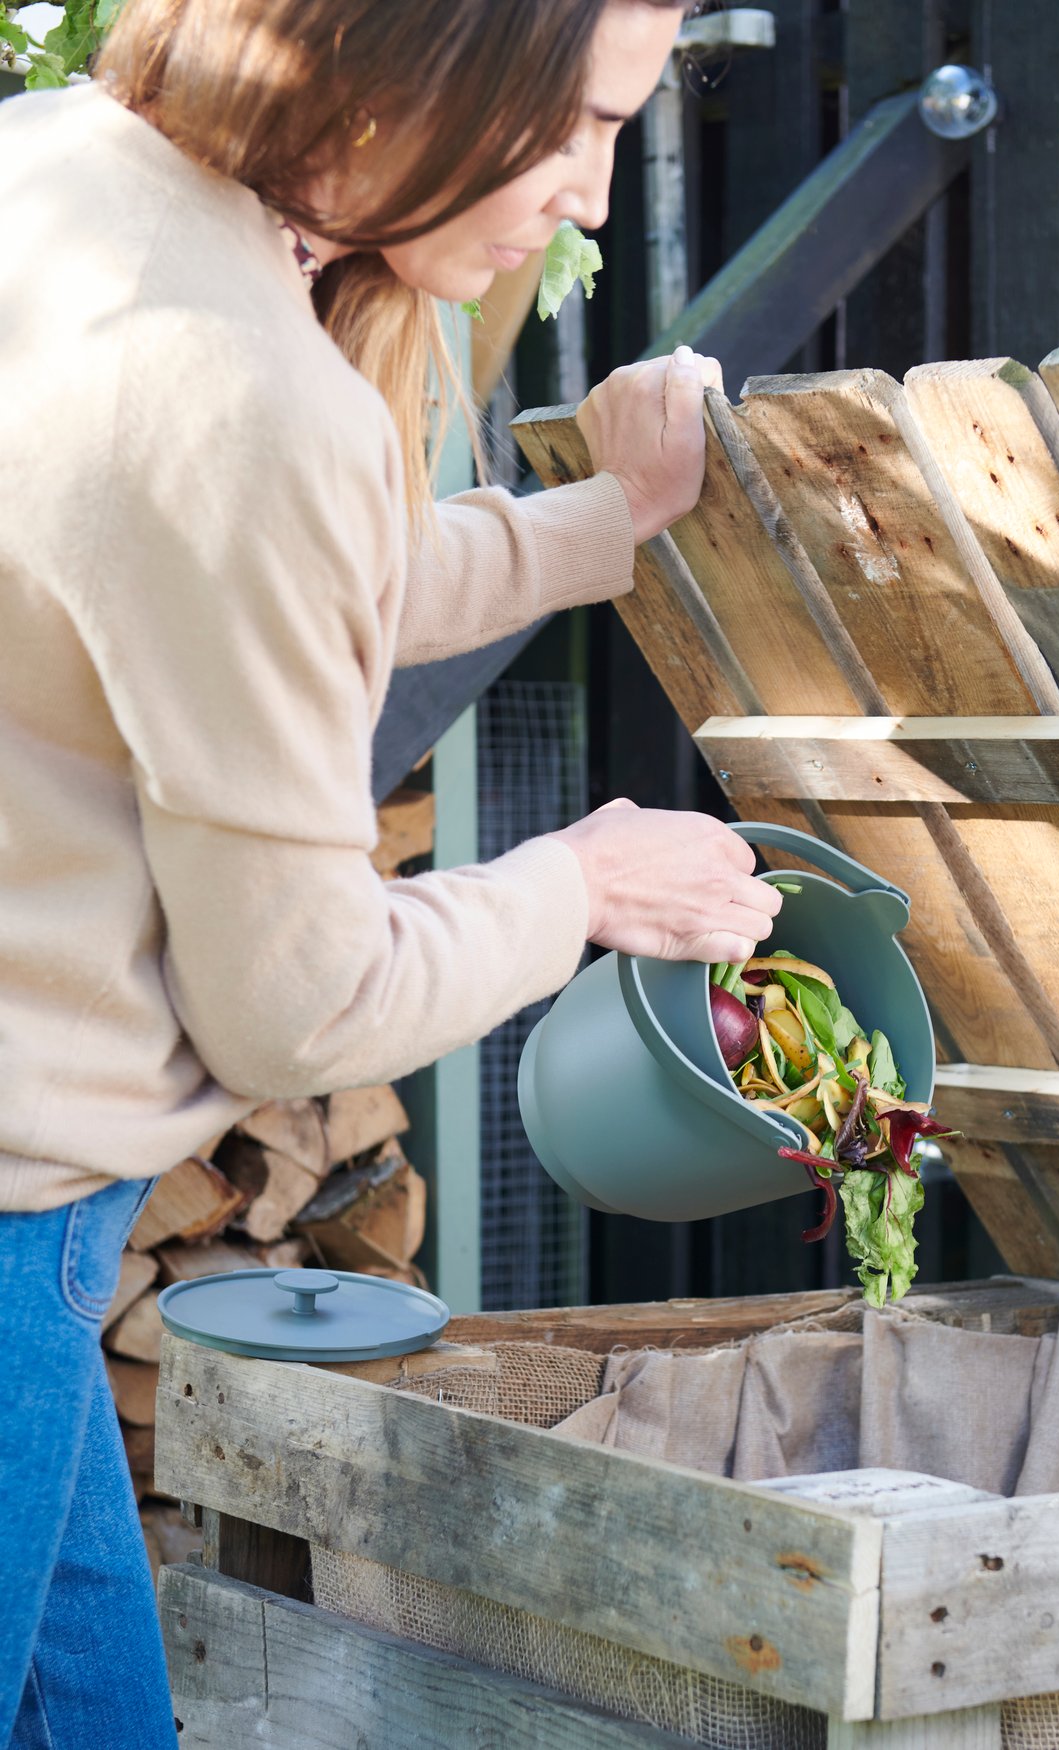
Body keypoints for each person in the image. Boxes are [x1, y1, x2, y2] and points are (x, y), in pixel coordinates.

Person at [0, 0, 782, 1741]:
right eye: (575, 125)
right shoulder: (239, 390)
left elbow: (235, 574)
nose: (593, 197)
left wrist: (605, 527)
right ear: (429, 58)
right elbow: (302, 1006)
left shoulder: (61, 178)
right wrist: (582, 885)